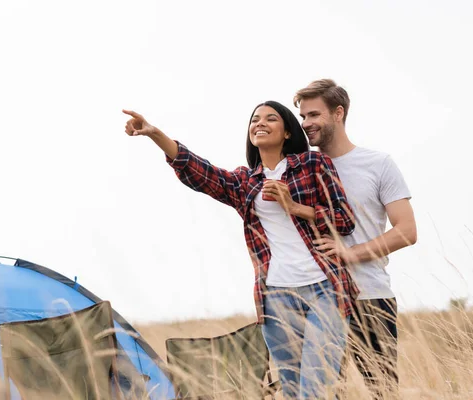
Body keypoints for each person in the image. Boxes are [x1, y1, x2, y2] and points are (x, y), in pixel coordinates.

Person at [122, 100, 358, 398]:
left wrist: (295, 207)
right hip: (276, 297)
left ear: (287, 132)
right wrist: (156, 135)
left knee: (316, 387)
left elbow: (346, 220)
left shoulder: (313, 165)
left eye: (270, 118)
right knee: (292, 389)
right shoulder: (246, 182)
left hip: (325, 289)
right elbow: (199, 172)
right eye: (254, 120)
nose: (260, 123)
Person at [293, 79, 417, 398]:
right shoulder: (298, 169)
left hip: (370, 298)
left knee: (382, 392)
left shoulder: (377, 164)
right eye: (303, 116)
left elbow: (406, 230)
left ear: (338, 113)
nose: (306, 123)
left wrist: (350, 254)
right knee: (322, 393)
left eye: (314, 115)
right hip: (315, 302)